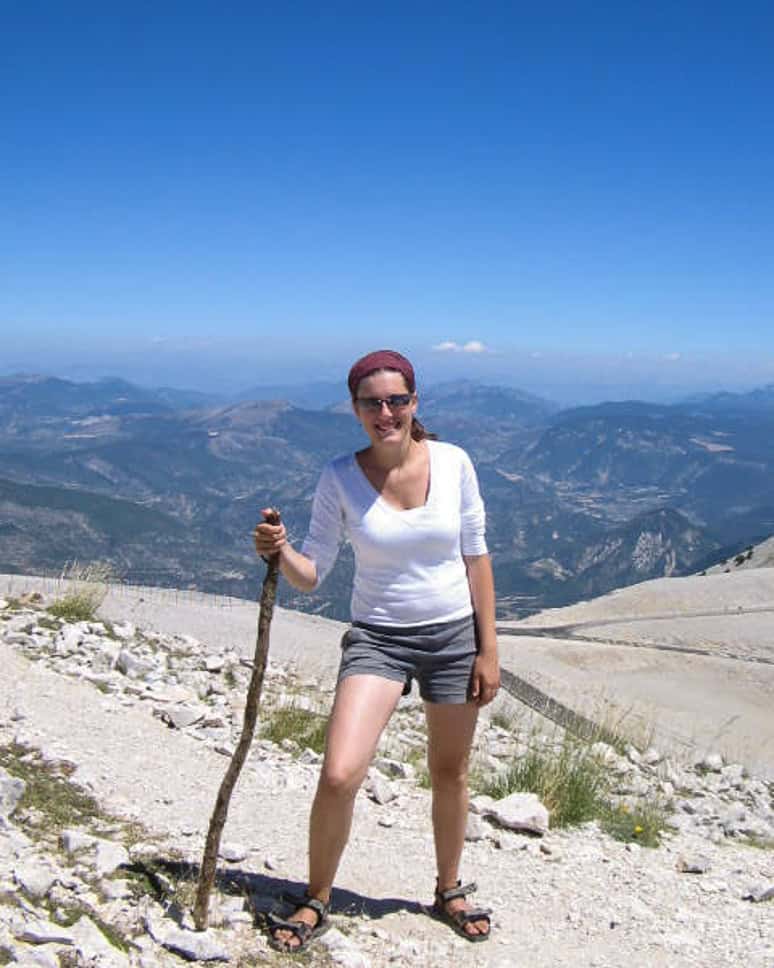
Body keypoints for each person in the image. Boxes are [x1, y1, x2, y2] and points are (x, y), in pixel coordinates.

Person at [253, 348, 500, 951]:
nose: (385, 411)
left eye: (397, 400)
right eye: (372, 402)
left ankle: (448, 889)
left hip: (452, 636)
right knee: (339, 773)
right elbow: (314, 573)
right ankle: (316, 896)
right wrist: (279, 552)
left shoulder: (454, 461)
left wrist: (487, 650)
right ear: (356, 408)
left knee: (449, 771)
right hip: (378, 637)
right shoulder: (339, 476)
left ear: (416, 402)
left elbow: (476, 555)